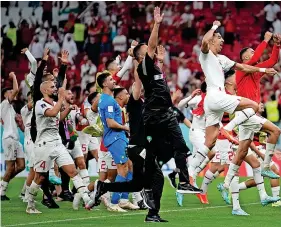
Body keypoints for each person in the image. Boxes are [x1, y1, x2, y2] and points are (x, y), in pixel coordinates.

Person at [191, 20, 277, 182]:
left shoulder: (247, 70)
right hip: (243, 112)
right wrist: (265, 41)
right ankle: (231, 131)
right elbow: (254, 60)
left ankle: (209, 179)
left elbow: (269, 62)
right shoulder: (238, 69)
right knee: (274, 131)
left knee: (239, 155)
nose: (254, 54)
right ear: (245, 57)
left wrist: (276, 48)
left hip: (243, 113)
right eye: (251, 53)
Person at [133, 7, 201, 195]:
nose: (151, 50)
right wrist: (156, 24)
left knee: (181, 147)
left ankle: (184, 181)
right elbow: (152, 45)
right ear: (141, 56)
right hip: (154, 116)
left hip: (167, 113)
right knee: (155, 152)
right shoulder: (144, 67)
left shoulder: (153, 68)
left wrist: (161, 62)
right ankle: (147, 184)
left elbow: (157, 88)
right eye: (146, 50)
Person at [26, 81, 93, 214]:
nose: (55, 89)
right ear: (44, 90)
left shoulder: (53, 103)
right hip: (44, 145)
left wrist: (68, 109)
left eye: (55, 87)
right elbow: (52, 113)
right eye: (52, 87)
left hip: (57, 143)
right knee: (40, 177)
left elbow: (58, 118)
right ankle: (30, 203)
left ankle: (87, 199)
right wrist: (62, 98)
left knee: (73, 171)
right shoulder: (40, 104)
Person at [97, 72, 134, 212]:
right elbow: (111, 122)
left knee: (130, 166)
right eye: (111, 79)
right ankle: (114, 202)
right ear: (104, 84)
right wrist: (125, 127)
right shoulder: (109, 101)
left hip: (118, 137)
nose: (114, 81)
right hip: (115, 137)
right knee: (123, 168)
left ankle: (124, 200)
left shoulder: (105, 99)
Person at [1, 72, 25, 201]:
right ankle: (2, 192)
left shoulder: (11, 108)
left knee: (21, 166)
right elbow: (16, 89)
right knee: (10, 167)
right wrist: (14, 76)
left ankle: (3, 183)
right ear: (5, 95)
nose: (12, 93)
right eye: (9, 92)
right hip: (9, 139)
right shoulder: (4, 104)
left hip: (16, 140)